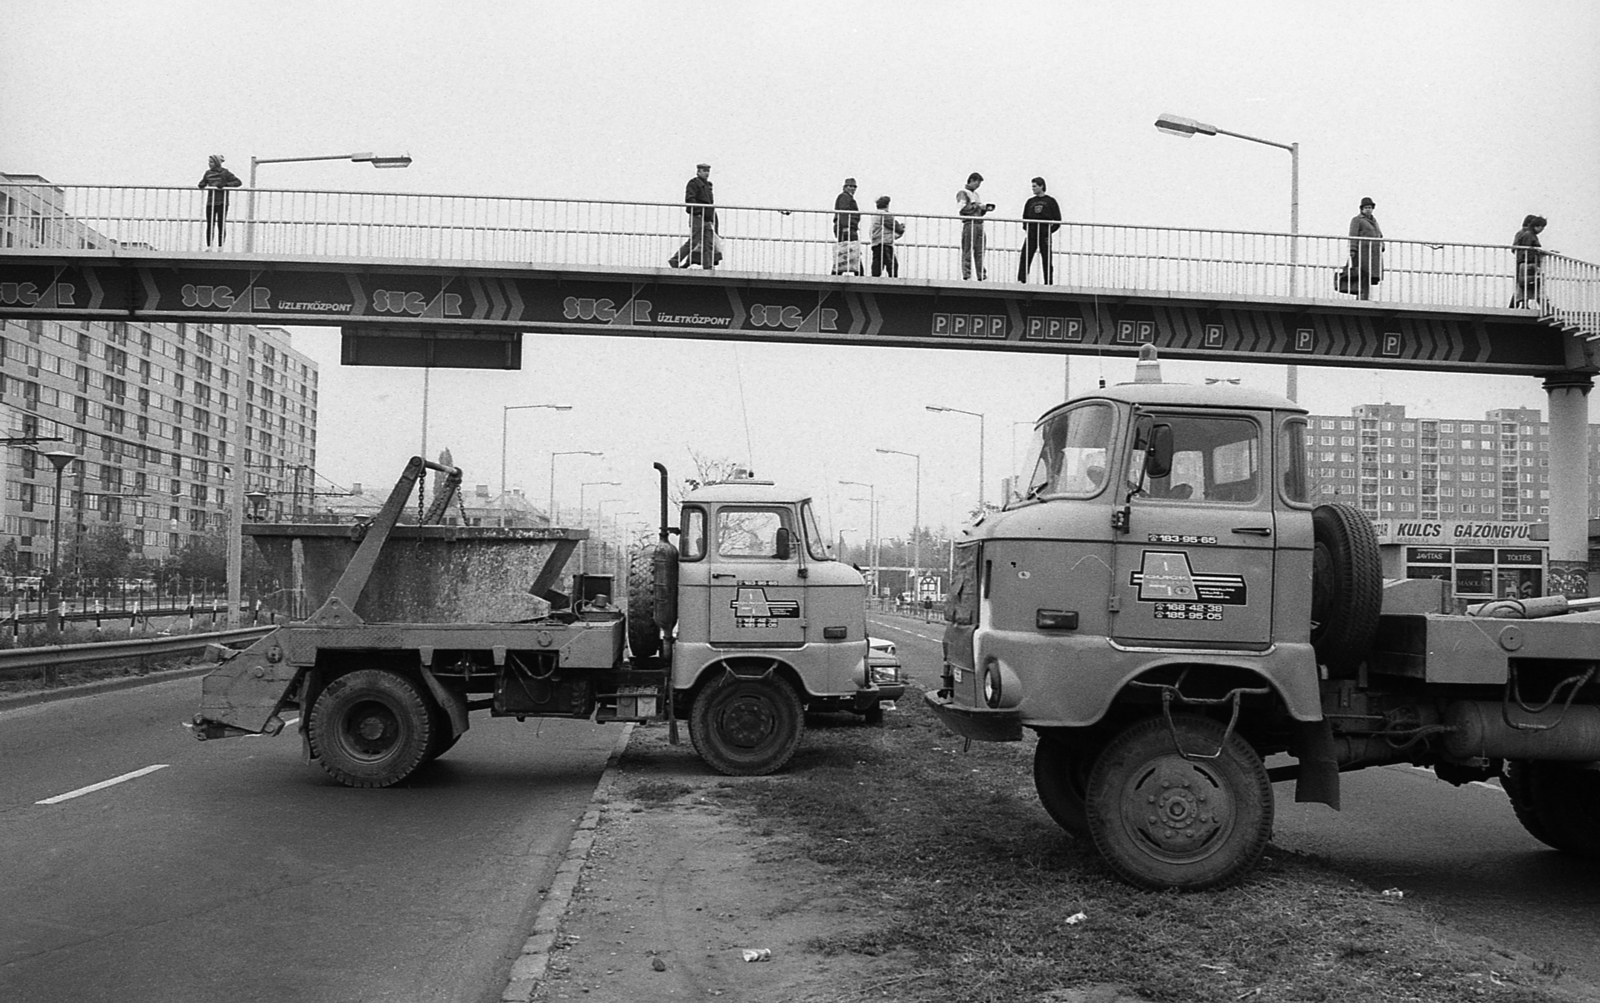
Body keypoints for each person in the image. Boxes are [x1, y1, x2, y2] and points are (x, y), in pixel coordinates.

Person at [667, 163, 718, 269]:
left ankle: (708, 266)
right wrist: (698, 212)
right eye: (704, 171)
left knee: (708, 243)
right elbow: (690, 200)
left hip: (706, 218)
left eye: (707, 171)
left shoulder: (708, 185)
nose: (707, 173)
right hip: (698, 217)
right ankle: (675, 259)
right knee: (694, 241)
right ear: (698, 172)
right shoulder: (693, 183)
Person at [1018, 177, 1062, 283]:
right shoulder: (1030, 201)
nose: (1032, 188)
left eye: (1035, 186)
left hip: (1045, 232)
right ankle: (1021, 280)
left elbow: (1057, 219)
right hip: (1032, 232)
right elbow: (1025, 218)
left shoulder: (1050, 201)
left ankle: (1048, 281)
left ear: (1041, 186)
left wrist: (1049, 231)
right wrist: (1027, 228)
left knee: (1046, 257)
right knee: (1025, 255)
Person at [198, 154, 241, 248]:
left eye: (211, 162)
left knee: (221, 223)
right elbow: (203, 182)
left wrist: (225, 185)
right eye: (209, 162)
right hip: (210, 202)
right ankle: (209, 246)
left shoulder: (225, 172)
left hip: (222, 201)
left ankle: (220, 246)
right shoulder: (208, 173)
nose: (209, 164)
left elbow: (238, 182)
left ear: (217, 163)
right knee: (210, 224)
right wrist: (201, 184)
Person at [1348, 196, 1384, 300]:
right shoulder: (1357, 220)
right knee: (1362, 274)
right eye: (1366, 207)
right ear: (1362, 209)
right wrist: (1353, 249)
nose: (1368, 209)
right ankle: (1362, 298)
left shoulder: (1375, 221)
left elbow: (1379, 235)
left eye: (1370, 207)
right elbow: (1353, 234)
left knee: (1369, 276)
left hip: (1374, 253)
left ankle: (1365, 297)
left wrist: (1382, 245)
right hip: (1362, 252)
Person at [1510, 214, 1549, 308]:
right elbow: (1525, 250)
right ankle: (1546, 307)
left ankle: (1517, 306)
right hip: (1528, 263)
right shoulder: (1528, 235)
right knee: (1529, 284)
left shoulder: (1528, 234)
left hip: (1526, 263)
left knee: (1527, 285)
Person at [956, 172, 989, 280]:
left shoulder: (976, 195)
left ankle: (981, 275)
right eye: (977, 183)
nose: (978, 186)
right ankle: (967, 274)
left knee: (980, 251)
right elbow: (961, 208)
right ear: (972, 181)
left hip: (979, 223)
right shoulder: (963, 193)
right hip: (969, 223)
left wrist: (983, 209)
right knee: (968, 249)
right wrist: (975, 207)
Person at [832, 178, 863, 275]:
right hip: (846, 228)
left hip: (847, 227)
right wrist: (846, 227)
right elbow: (844, 212)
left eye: (854, 186)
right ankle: (859, 274)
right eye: (850, 186)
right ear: (845, 187)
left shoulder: (846, 197)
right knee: (851, 250)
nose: (853, 188)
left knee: (845, 251)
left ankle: (837, 273)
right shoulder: (844, 197)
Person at [869, 195, 905, 277]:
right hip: (884, 243)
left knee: (877, 264)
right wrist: (901, 228)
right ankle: (894, 283)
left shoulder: (875, 215)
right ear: (887, 205)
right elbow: (895, 226)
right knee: (892, 265)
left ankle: (874, 282)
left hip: (876, 242)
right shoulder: (885, 215)